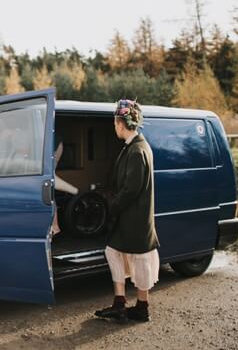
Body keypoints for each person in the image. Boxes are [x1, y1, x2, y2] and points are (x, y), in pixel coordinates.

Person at [93, 99, 159, 323]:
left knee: (137, 259)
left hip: (135, 219)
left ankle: (140, 307)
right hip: (132, 218)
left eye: (115, 123)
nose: (114, 127)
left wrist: (111, 206)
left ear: (121, 124)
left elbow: (131, 189)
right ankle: (123, 304)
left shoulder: (136, 150)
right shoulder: (136, 146)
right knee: (116, 253)